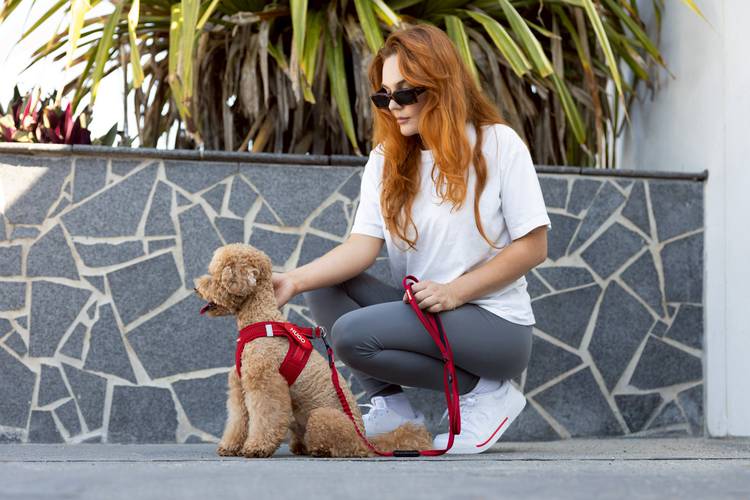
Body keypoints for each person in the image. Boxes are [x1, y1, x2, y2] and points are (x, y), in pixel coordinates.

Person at [271, 24, 550, 454]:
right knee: (322, 284)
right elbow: (360, 247)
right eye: (384, 96)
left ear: (441, 86)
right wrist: (293, 280)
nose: (393, 106)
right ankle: (393, 409)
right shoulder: (386, 160)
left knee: (351, 335)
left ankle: (488, 392)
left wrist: (456, 291)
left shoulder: (497, 144)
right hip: (429, 311)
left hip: (496, 325)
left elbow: (533, 246)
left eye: (404, 93)